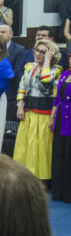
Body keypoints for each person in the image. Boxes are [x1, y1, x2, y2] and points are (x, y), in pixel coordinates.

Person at [13, 39, 62, 185]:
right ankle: (24, 175)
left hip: (45, 113)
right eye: (37, 50)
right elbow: (22, 86)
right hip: (28, 111)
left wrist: (47, 61)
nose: (38, 54)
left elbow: (46, 79)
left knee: (40, 147)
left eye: (43, 52)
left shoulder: (56, 69)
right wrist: (20, 106)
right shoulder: (29, 66)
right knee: (25, 145)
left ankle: (40, 178)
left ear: (51, 55)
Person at [49, 66, 71, 203]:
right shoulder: (65, 74)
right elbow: (57, 98)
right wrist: (52, 117)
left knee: (69, 156)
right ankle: (57, 192)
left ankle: (68, 194)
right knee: (58, 154)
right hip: (60, 119)